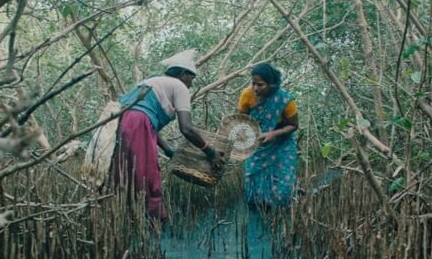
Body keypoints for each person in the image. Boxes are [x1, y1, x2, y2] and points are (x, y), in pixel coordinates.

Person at [113, 49, 225, 222]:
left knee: (126, 173)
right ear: (182, 74)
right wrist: (211, 152)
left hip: (118, 123)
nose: (191, 85)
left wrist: (168, 150)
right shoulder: (179, 86)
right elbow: (186, 128)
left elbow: (145, 122)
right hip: (137, 123)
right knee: (147, 175)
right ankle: (156, 220)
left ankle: (127, 218)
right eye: (191, 79)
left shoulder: (150, 81)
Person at [238, 62, 299, 211]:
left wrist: (273, 134)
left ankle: (283, 209)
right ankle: (259, 213)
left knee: (283, 184)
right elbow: (242, 121)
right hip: (258, 144)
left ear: (271, 85)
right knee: (253, 182)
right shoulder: (246, 95)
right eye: (253, 84)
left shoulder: (285, 100)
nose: (255, 88)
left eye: (260, 85)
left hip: (282, 144)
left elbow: (294, 125)